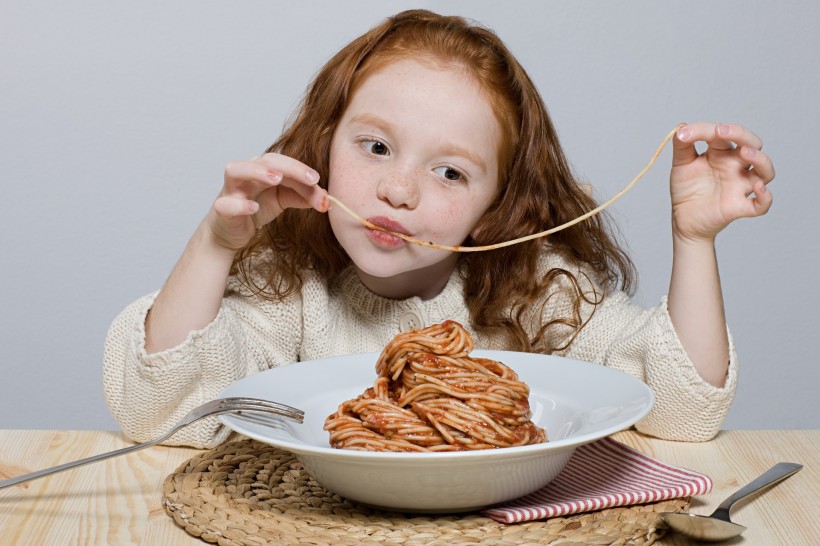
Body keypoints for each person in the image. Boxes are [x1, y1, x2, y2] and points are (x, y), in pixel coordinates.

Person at [103, 9, 775, 448]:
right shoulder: (290, 287)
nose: (398, 189)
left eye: (451, 172)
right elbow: (156, 412)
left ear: (495, 207)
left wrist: (694, 241)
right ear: (325, 144)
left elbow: (682, 415)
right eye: (375, 147)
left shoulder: (540, 291)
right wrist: (215, 245)